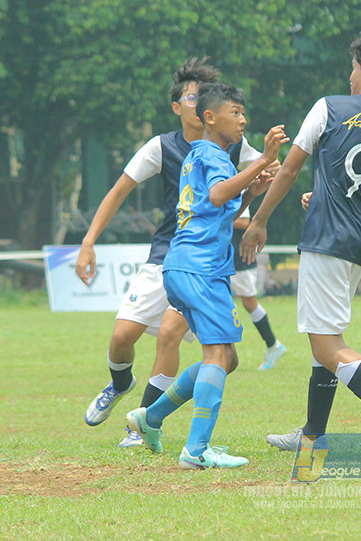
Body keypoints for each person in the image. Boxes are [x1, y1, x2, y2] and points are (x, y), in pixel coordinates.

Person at [240, 27, 361, 466]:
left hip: (325, 240)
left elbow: (288, 171)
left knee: (327, 346)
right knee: (326, 338)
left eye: (352, 68)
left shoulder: (329, 107)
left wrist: (259, 221)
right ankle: (313, 435)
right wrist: (335, 198)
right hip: (357, 244)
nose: (349, 76)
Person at [76, 59, 275, 448]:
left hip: (198, 258)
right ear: (183, 108)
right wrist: (88, 241)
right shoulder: (167, 147)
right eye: (192, 97)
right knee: (122, 338)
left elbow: (244, 191)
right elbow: (121, 191)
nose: (200, 102)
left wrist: (253, 207)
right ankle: (124, 388)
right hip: (174, 256)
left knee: (171, 336)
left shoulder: (232, 147)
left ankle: (143, 427)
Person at [124, 82, 289, 469]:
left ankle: (151, 417)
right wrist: (261, 162)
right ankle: (196, 451)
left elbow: (217, 210)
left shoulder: (198, 155)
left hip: (184, 266)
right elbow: (216, 198)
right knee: (218, 353)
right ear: (210, 118)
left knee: (226, 357)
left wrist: (249, 194)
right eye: (236, 112)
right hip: (201, 268)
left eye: (244, 113)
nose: (243, 119)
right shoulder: (215, 156)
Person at [231, 210, 287, 369]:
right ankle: (220, 350)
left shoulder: (238, 186)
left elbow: (244, 222)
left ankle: (273, 345)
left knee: (249, 303)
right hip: (222, 254)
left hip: (239, 256)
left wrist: (215, 218)